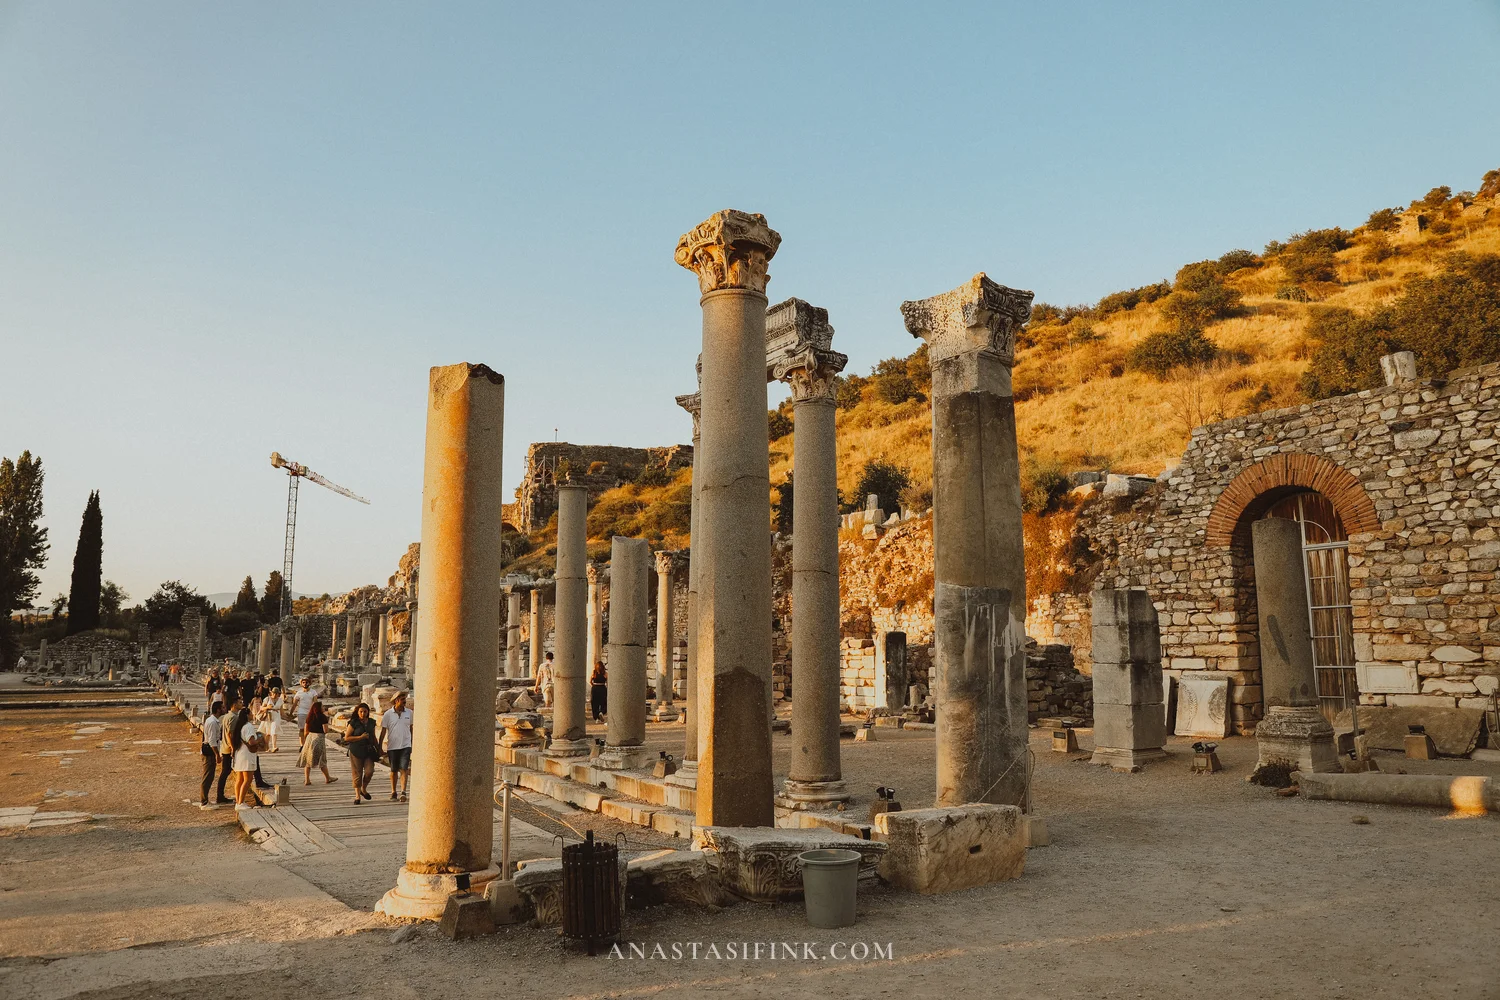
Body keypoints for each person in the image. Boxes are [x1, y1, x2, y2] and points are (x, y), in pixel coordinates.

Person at [380, 691, 413, 802]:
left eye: (405, 699)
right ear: (396, 701)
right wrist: (380, 746)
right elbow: (383, 731)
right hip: (392, 746)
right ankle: (393, 791)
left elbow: (412, 728)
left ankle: (403, 791)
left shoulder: (409, 713)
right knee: (393, 770)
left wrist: (413, 743)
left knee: (404, 768)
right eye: (402, 699)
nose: (405, 702)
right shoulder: (388, 714)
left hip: (406, 745)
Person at [343, 703, 378, 805]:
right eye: (361, 712)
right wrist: (360, 737)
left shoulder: (371, 722)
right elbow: (347, 738)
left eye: (365, 712)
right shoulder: (353, 723)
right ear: (357, 712)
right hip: (356, 750)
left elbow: (374, 736)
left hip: (368, 751)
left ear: (368, 712)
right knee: (357, 773)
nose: (363, 714)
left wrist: (378, 748)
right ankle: (357, 796)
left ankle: (364, 788)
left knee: (369, 771)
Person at [231, 698, 262, 807]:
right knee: (247, 780)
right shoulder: (248, 726)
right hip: (247, 756)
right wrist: (260, 739)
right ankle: (241, 802)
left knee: (239, 780)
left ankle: (238, 801)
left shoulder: (239, 727)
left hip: (240, 755)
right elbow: (251, 741)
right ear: (248, 715)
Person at [297, 699, 336, 786]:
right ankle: (328, 778)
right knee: (321, 759)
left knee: (307, 759)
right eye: (322, 706)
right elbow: (325, 730)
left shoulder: (309, 717)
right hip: (319, 737)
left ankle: (307, 779)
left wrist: (305, 742)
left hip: (310, 738)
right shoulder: (322, 717)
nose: (323, 708)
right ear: (319, 708)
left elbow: (306, 731)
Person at [200, 702, 230, 807]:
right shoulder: (212, 722)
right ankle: (204, 802)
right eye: (222, 707)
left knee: (210, 776)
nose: (224, 708)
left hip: (210, 751)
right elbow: (212, 741)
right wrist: (217, 754)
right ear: (218, 710)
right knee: (207, 776)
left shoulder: (212, 720)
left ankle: (206, 799)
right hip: (209, 752)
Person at [291, 677, 320, 743]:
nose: (305, 684)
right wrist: (291, 713)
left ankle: (307, 742)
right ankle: (302, 744)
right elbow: (295, 704)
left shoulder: (313, 692)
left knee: (310, 729)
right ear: (301, 684)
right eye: (303, 682)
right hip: (301, 712)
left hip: (310, 712)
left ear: (309, 683)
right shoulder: (299, 692)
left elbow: (315, 702)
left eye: (306, 682)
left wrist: (317, 713)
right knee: (302, 729)